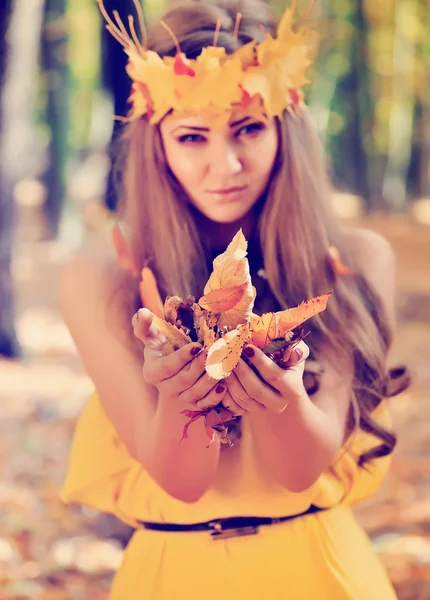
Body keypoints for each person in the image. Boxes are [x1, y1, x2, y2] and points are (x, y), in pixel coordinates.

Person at [59, 1, 409, 598]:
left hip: (320, 570)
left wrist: (283, 398)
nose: (226, 165)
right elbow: (182, 481)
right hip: (174, 574)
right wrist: (179, 397)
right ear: (156, 143)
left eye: (248, 128)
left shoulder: (355, 263)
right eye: (192, 136)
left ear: (285, 125)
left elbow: (298, 471)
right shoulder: (103, 281)